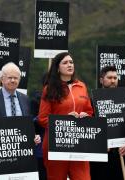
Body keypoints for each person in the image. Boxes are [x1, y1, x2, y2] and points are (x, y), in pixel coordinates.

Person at [0, 62, 40, 180]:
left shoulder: (25, 100)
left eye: (16, 78)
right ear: (2, 79)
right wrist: (5, 139)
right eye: (10, 77)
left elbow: (28, 127)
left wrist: (33, 137)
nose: (13, 80)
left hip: (23, 162)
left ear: (19, 79)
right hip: (0, 161)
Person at [38, 52, 93, 180]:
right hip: (56, 142)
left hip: (79, 142)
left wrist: (86, 117)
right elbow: (42, 118)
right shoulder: (49, 88)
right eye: (65, 62)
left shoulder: (82, 86)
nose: (69, 65)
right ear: (57, 68)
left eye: (71, 62)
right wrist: (64, 122)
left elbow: (89, 111)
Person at [90, 66, 125, 180]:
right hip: (99, 158)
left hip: (120, 156)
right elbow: (89, 129)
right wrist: (99, 143)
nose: (113, 80)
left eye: (115, 77)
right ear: (101, 80)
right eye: (109, 77)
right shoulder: (92, 101)